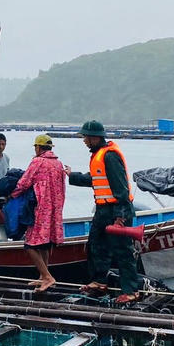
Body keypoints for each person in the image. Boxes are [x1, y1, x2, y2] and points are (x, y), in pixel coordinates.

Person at [65, 119, 141, 304]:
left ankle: (131, 290)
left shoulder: (110, 156)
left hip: (116, 209)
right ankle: (99, 281)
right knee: (96, 246)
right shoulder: (99, 155)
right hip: (102, 209)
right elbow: (95, 179)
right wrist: (72, 175)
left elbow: (121, 188)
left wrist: (120, 216)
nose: (84, 141)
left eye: (86, 137)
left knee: (122, 250)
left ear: (94, 138)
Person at [11, 134, 66, 291]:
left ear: (39, 147)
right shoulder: (58, 163)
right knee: (45, 243)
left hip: (40, 209)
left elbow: (24, 182)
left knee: (30, 244)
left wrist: (11, 195)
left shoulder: (38, 162)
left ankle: (48, 277)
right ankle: (43, 275)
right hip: (55, 210)